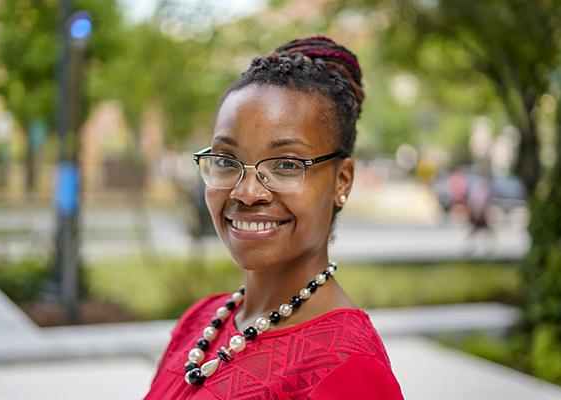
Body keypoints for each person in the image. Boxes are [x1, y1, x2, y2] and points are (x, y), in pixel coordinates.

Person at [143, 36, 404, 400]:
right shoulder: (200, 321)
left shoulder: (347, 368)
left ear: (342, 180)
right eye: (225, 160)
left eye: (285, 165)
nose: (247, 192)